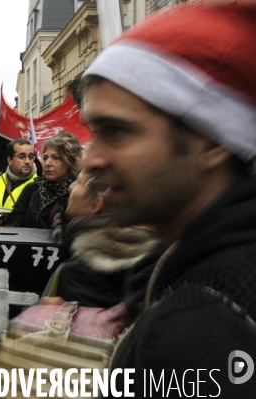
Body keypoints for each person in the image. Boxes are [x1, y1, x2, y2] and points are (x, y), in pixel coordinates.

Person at [80, 3, 256, 395]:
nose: (90, 159)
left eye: (116, 131)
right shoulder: (192, 277)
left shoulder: (200, 326)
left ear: (211, 141)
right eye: (94, 131)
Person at [42, 169, 156, 308]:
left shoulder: (79, 276)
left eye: (79, 182)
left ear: (96, 204)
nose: (70, 186)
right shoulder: (151, 254)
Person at [6, 133, 82, 228]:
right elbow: (12, 226)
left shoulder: (77, 194)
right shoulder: (32, 189)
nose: (47, 163)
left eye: (56, 158)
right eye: (45, 158)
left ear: (70, 161)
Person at [0, 138, 37, 209]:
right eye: (22, 157)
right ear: (9, 160)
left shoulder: (38, 187)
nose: (27, 161)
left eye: (31, 157)